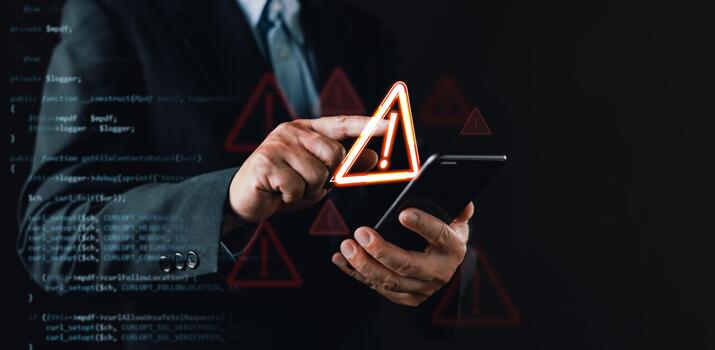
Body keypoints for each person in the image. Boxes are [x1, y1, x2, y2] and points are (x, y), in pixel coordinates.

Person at [18, 0, 476, 347]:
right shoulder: (118, 15)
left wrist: (441, 265)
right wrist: (227, 201)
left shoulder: (360, 33)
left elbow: (399, 216)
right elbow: (52, 238)